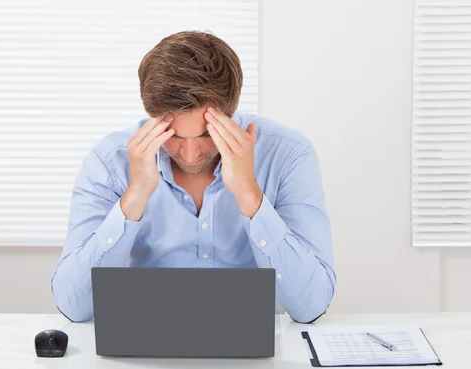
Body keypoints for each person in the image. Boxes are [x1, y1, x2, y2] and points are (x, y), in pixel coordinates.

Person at [51, 31, 336, 323]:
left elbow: (311, 305)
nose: (189, 155)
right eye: (172, 136)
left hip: (253, 352)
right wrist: (134, 197)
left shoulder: (287, 154)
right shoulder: (110, 160)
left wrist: (250, 196)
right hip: (142, 345)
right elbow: (75, 306)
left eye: (204, 134)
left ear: (230, 111)